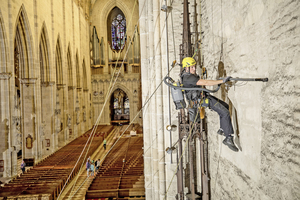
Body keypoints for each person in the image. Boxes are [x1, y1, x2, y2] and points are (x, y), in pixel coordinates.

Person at [181, 57, 239, 152]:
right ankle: (228, 138)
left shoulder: (188, 75)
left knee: (225, 106)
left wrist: (220, 81)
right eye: (192, 67)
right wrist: (222, 81)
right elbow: (206, 82)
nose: (194, 69)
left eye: (194, 66)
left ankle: (223, 129)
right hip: (201, 100)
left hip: (203, 96)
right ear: (186, 68)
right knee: (225, 113)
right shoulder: (188, 78)